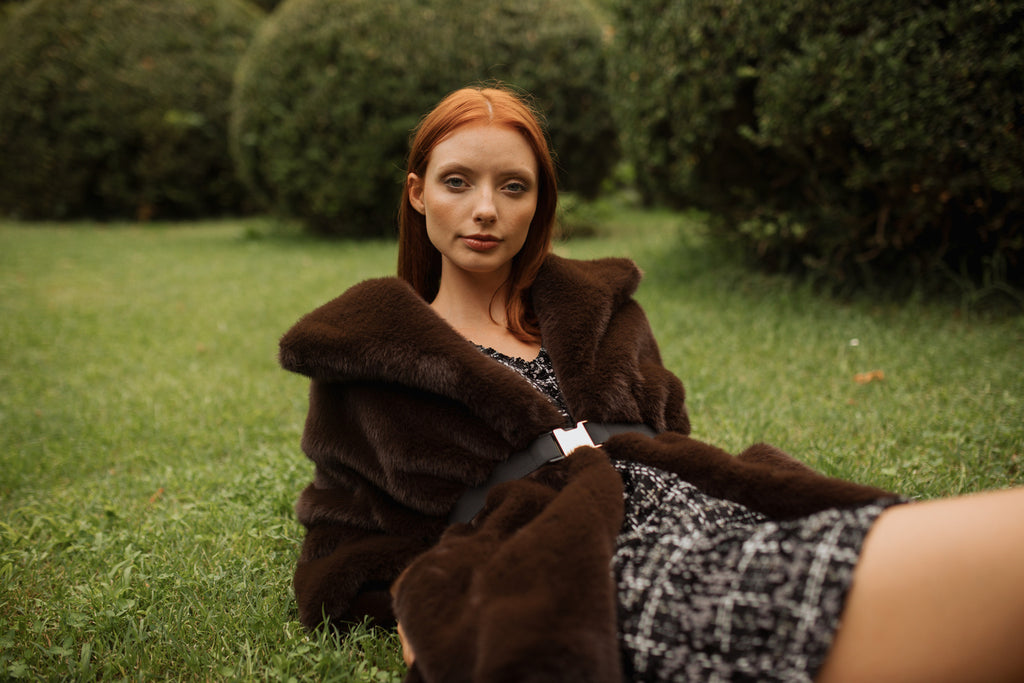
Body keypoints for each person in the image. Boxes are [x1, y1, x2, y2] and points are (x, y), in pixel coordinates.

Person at [279, 85, 1024, 683]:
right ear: (417, 194)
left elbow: (674, 437)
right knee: (810, 587)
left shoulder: (602, 314)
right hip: (560, 555)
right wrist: (424, 600)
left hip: (692, 505)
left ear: (538, 202)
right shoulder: (375, 360)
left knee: (862, 537)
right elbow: (344, 545)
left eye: (513, 186)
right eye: (457, 182)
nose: (486, 209)